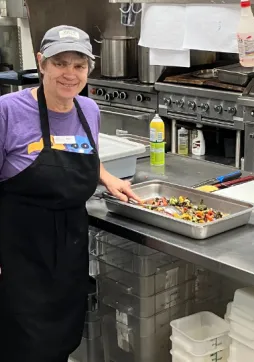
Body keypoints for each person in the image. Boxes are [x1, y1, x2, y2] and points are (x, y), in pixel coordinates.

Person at [0, 25, 140, 362]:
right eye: (60, 63)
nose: (70, 74)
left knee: (62, 338)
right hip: (19, 250)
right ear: (41, 63)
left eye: (79, 65)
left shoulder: (88, 110)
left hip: (70, 249)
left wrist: (105, 176)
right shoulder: (7, 111)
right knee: (22, 343)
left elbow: (82, 151)